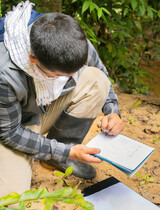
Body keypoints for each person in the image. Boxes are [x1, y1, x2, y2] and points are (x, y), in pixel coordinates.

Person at [0, 1, 124, 198]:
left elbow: (99, 70)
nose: (75, 75)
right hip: (16, 125)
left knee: (96, 79)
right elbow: (10, 132)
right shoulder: (4, 73)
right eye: (61, 74)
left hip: (42, 107)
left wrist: (112, 110)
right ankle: (56, 152)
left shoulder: (70, 38)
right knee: (11, 200)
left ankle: (58, 156)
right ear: (33, 60)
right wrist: (67, 151)